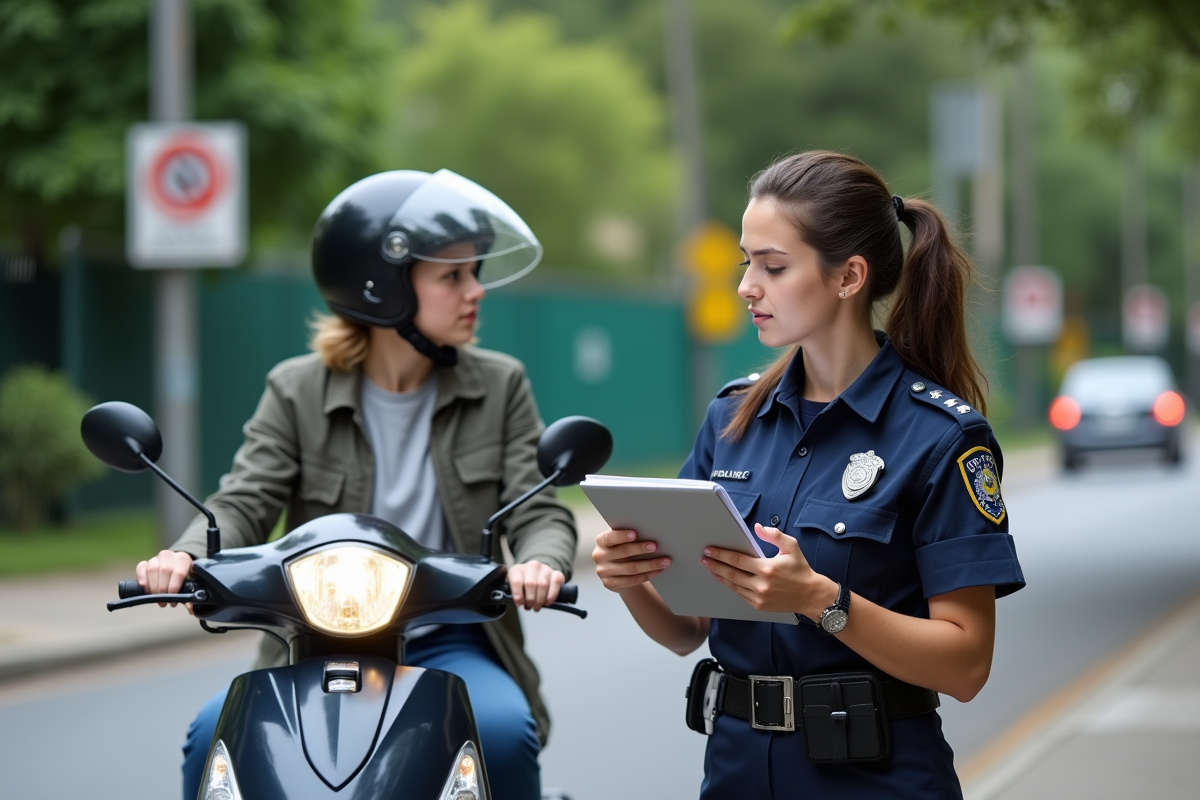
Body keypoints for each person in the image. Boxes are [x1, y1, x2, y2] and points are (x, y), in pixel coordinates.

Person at [593, 151, 1025, 799]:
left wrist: (820, 601)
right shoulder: (732, 419)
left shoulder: (943, 437)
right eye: (747, 264)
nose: (746, 286)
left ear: (849, 276)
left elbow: (965, 665)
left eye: (773, 266)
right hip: (737, 772)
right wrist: (630, 580)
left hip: (876, 779)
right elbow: (687, 631)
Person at [136, 169, 575, 800]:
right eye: (451, 276)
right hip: (314, 639)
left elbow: (538, 506)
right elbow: (244, 498)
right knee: (211, 736)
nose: (475, 290)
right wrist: (185, 555)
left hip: (449, 631)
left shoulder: (500, 384)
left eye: (473, 271)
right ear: (383, 289)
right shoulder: (297, 388)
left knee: (502, 732)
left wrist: (540, 561)